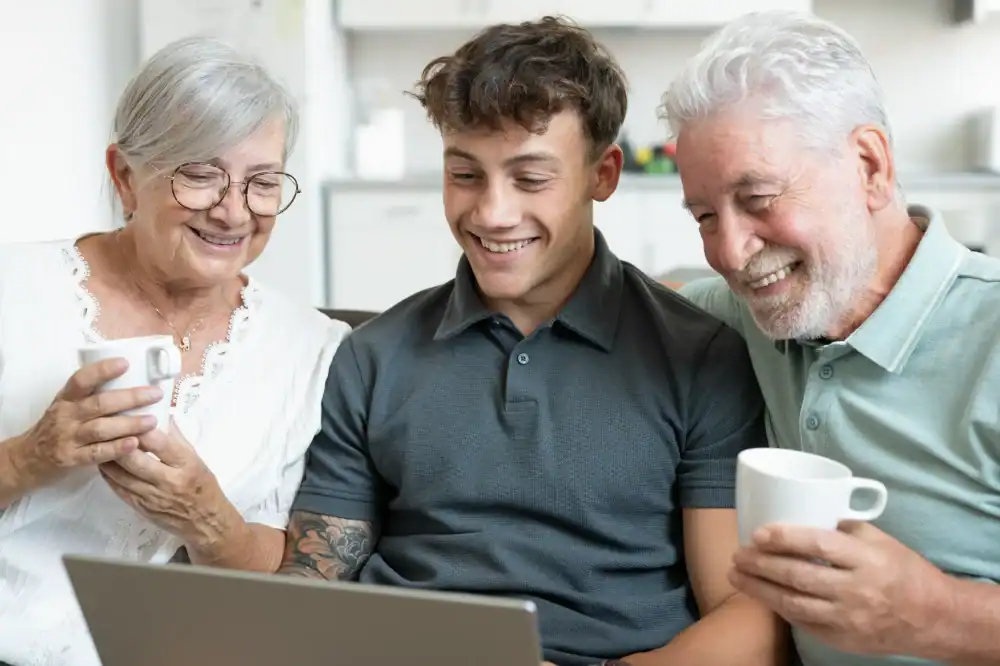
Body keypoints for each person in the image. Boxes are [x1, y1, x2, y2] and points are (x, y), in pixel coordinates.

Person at [278, 16, 786, 666]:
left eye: (530, 179)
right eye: (465, 175)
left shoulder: (700, 355)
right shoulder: (372, 355)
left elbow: (745, 619)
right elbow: (311, 585)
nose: (491, 213)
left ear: (603, 175)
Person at [660, 10, 1000, 666]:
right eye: (704, 216)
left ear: (870, 166)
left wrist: (937, 615)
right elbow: (615, 311)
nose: (729, 252)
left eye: (758, 198)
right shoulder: (730, 319)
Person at [0, 37, 349, 666]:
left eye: (262, 182)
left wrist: (209, 519)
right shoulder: (13, 290)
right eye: (200, 175)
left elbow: (287, 580)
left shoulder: (312, 350)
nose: (233, 210)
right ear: (124, 176)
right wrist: (28, 458)